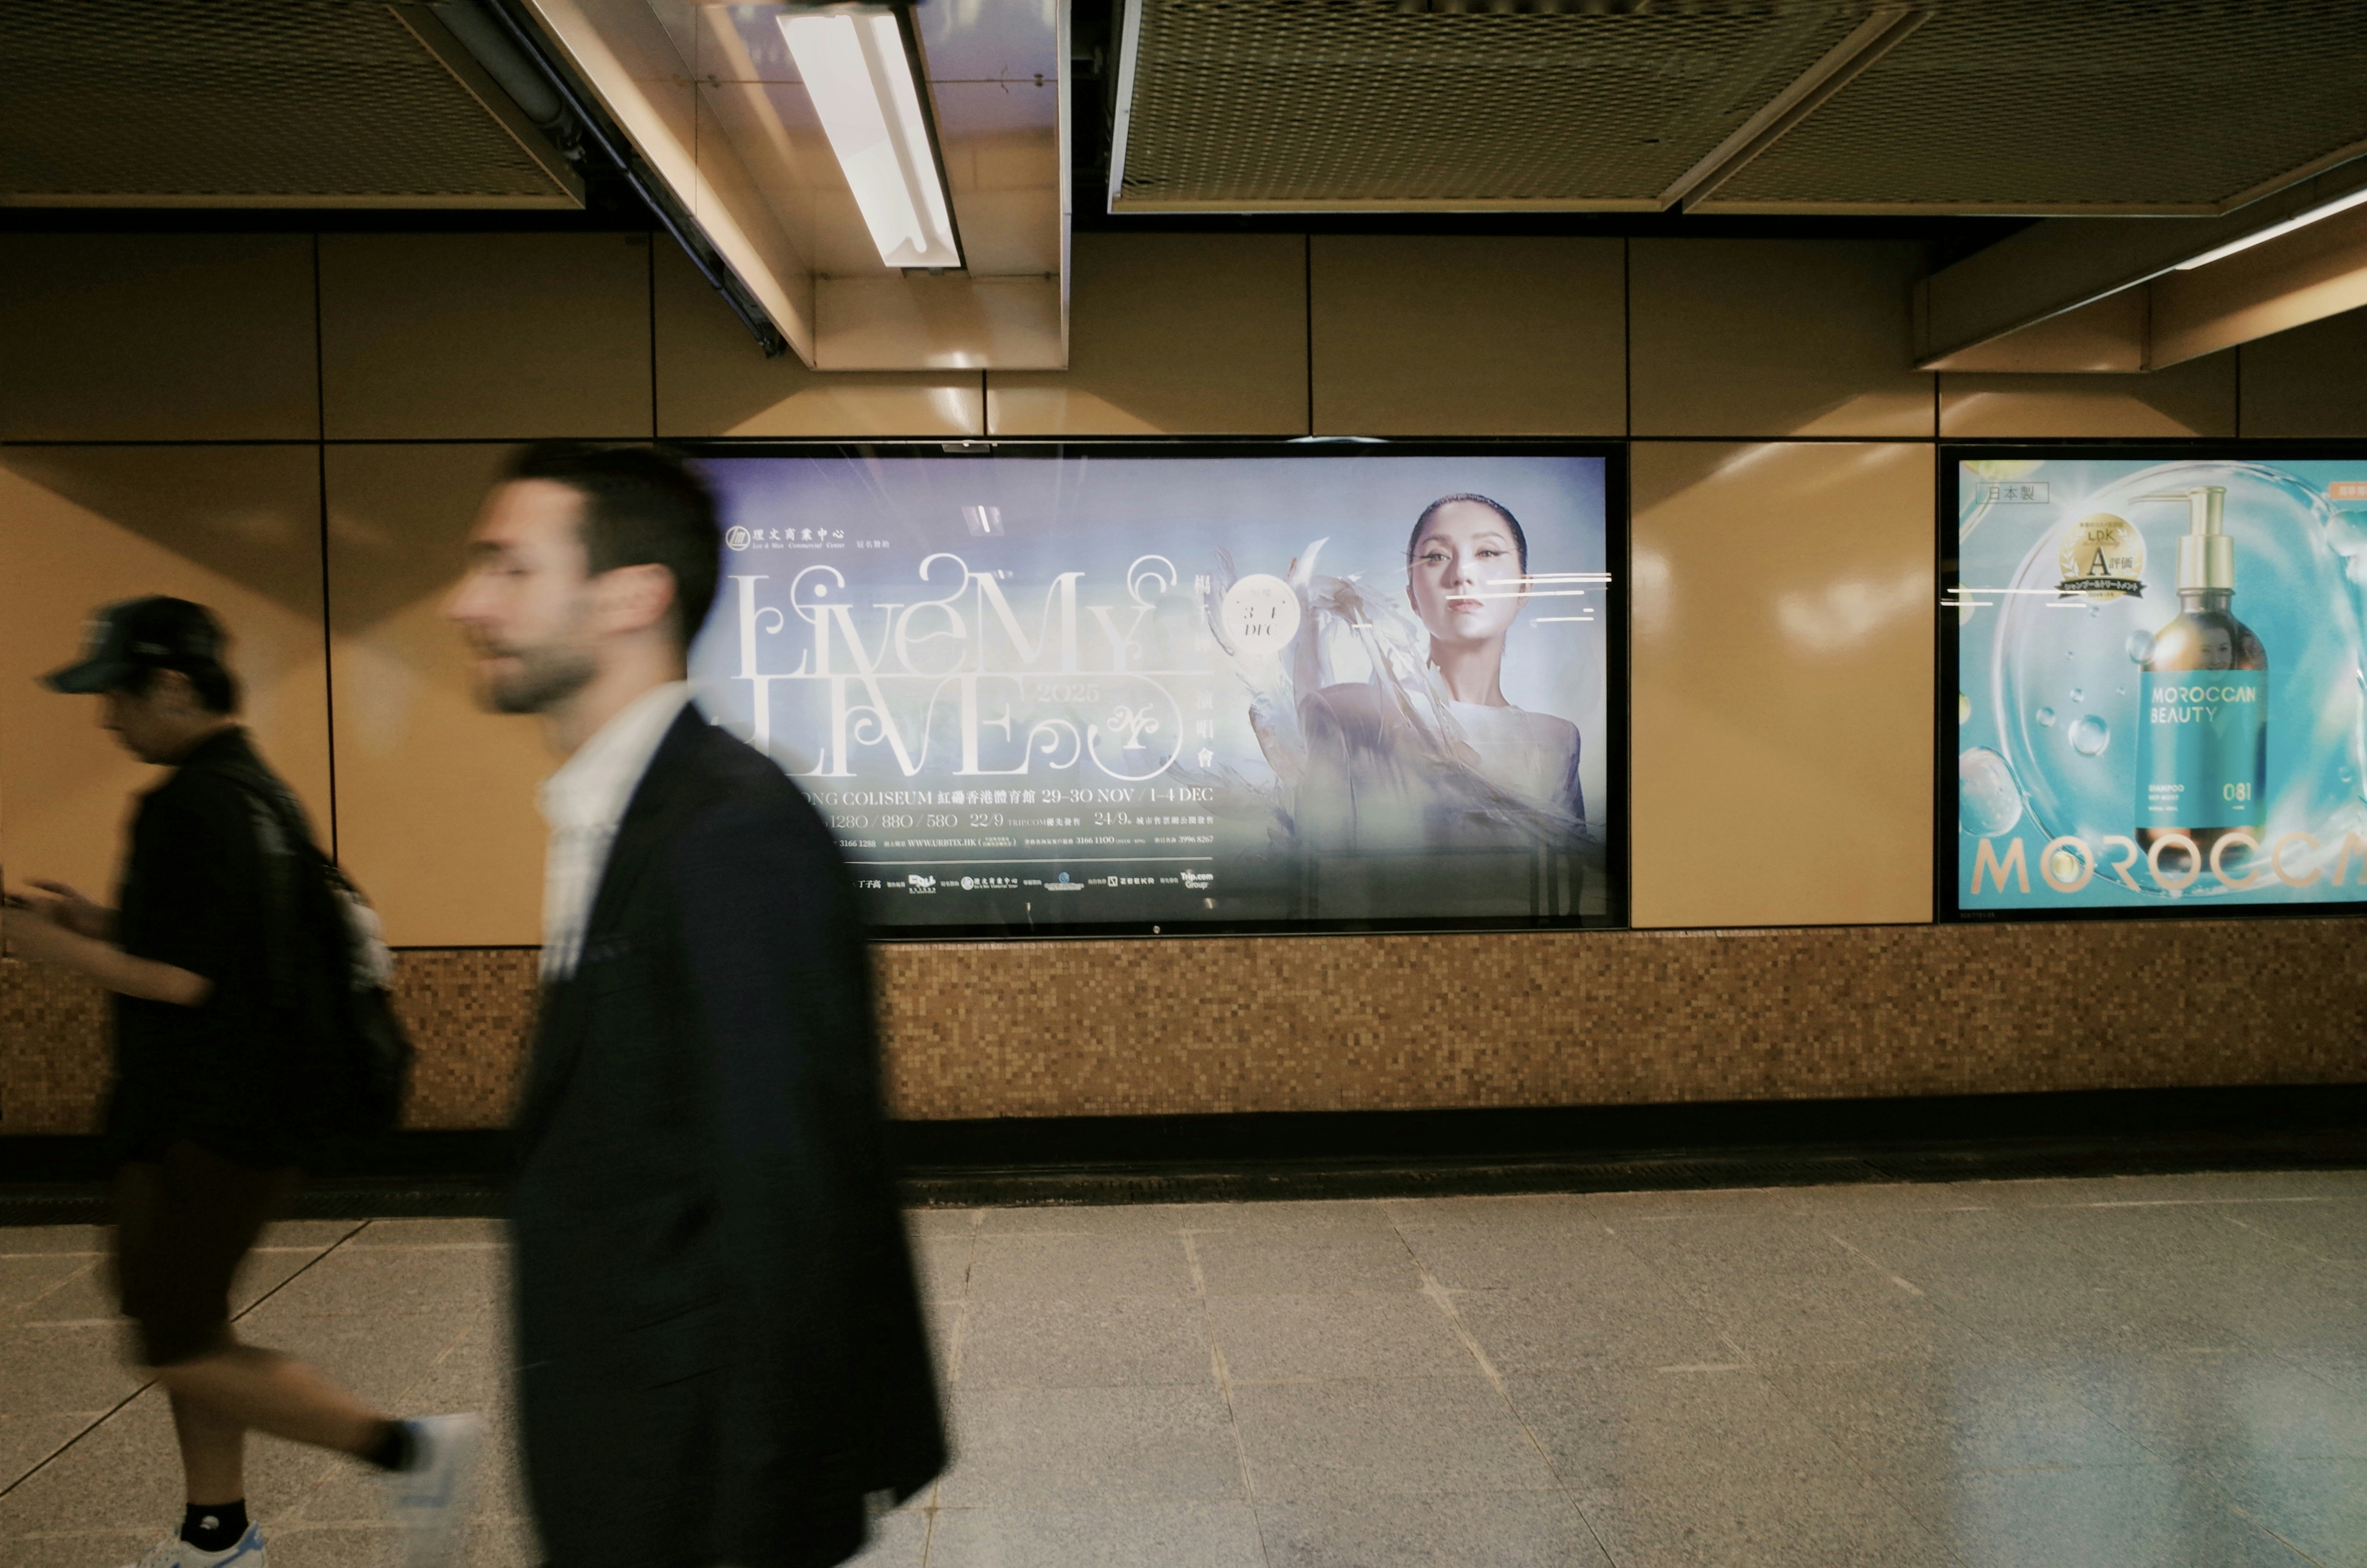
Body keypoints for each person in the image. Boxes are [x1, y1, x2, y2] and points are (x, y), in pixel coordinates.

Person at [443, 443, 943, 1568]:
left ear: (632, 595)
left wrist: (756, 1526)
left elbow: (791, 1212)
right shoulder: (626, 814)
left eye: (510, 568)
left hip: (697, 1496)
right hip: (636, 1462)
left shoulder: (728, 835)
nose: (465, 601)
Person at [0, 596, 479, 1568]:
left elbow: (187, 977)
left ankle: (407, 1449)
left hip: (209, 1119)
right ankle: (217, 1535)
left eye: (117, 695)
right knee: (194, 1328)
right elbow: (216, 943)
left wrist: (54, 949)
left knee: (174, 1342)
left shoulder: (188, 801)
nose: (106, 718)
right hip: (247, 1112)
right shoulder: (253, 788)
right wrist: (99, 923)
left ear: (172, 685)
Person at [1297, 493, 1585, 853]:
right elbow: (1320, 884)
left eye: (1488, 553)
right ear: (1412, 596)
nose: (1462, 574)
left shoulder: (1557, 741)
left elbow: (1577, 892)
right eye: (1437, 556)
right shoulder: (1348, 715)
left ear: (1524, 588)